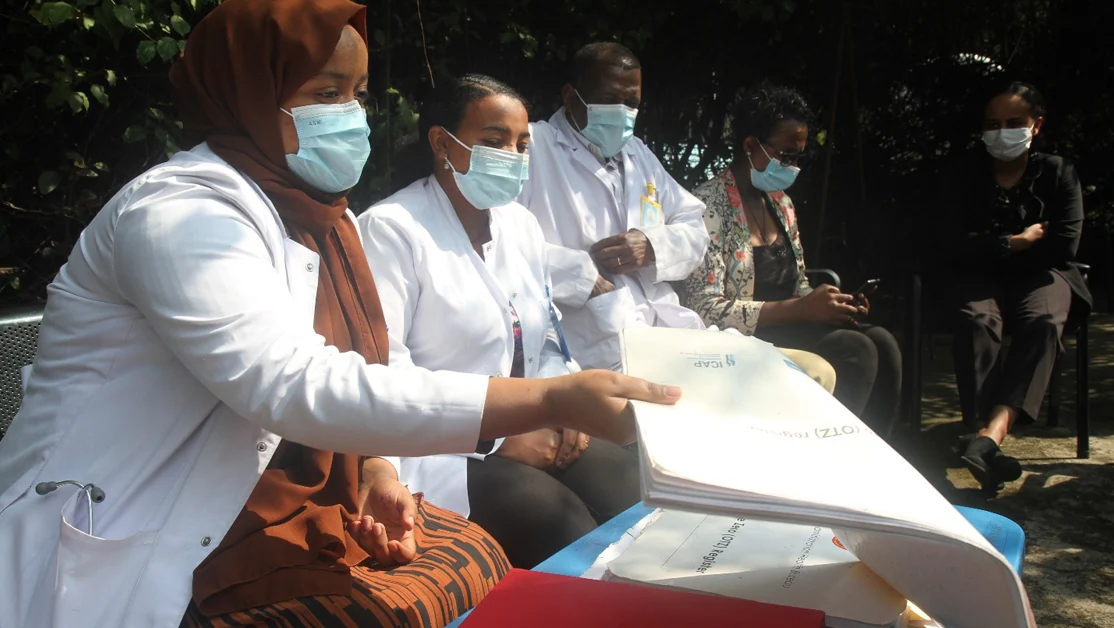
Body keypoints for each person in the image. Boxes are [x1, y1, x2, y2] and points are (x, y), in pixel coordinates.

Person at [0, 2, 680, 626]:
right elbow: (292, 384)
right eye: (325, 94)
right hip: (136, 521)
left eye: (355, 94)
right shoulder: (180, 215)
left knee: (473, 561)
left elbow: (359, 363)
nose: (351, 115)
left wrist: (379, 468)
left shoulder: (322, 220)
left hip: (256, 501)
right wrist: (547, 400)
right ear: (248, 94)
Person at [358, 74, 641, 569]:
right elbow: (384, 370)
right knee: (563, 529)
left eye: (521, 144)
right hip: (441, 447)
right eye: (494, 142)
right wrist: (497, 432)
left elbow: (546, 337)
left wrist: (563, 403)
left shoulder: (521, 226)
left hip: (540, 420)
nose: (512, 155)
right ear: (442, 143)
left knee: (633, 493)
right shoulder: (391, 230)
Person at [520, 42, 837, 393]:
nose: (622, 112)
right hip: (592, 342)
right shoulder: (533, 149)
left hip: (668, 333)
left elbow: (694, 228)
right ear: (570, 96)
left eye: (632, 103)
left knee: (813, 375)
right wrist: (582, 277)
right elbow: (496, 241)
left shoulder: (637, 155)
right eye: (609, 99)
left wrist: (652, 246)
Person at [683, 84, 902, 436]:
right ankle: (834, 453)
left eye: (799, 157)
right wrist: (801, 310)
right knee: (854, 349)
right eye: (786, 156)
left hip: (792, 326)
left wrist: (833, 305)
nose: (793, 166)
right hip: (744, 338)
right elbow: (705, 308)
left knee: (884, 343)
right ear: (751, 146)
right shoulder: (706, 206)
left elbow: (798, 284)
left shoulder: (780, 203)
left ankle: (879, 449)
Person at [938, 82, 1091, 491]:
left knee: (1043, 321)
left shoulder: (1059, 172)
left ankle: (990, 434)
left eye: (1013, 123)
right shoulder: (963, 175)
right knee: (977, 321)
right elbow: (946, 243)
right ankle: (978, 429)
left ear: (1036, 125)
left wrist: (990, 249)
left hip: (1042, 275)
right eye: (993, 124)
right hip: (977, 277)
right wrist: (1012, 243)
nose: (1002, 131)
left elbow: (1064, 244)